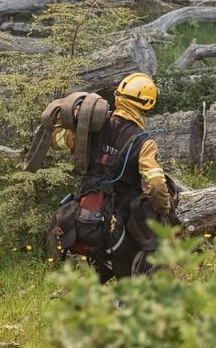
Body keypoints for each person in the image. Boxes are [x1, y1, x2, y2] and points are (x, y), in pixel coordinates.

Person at [48, 73, 174, 282]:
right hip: (120, 221)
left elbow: (55, 140)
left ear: (118, 97)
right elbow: (156, 185)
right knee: (145, 261)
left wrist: (72, 118)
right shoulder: (144, 142)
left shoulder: (93, 128)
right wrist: (163, 209)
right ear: (147, 106)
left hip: (86, 213)